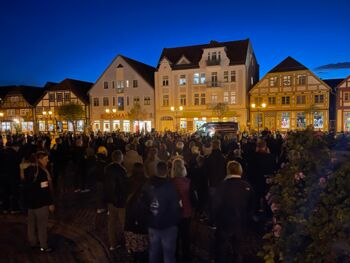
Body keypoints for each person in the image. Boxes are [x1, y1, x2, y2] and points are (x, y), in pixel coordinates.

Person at [212, 161, 254, 263]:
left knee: (222, 251)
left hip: (224, 223)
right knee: (238, 250)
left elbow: (215, 205)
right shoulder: (246, 186)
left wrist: (213, 219)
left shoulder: (222, 186)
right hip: (240, 222)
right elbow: (252, 205)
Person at [142, 161, 181, 263]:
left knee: (153, 252)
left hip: (152, 223)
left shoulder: (147, 184)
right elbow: (175, 208)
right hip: (168, 226)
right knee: (168, 255)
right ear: (167, 171)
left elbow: (143, 203)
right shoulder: (170, 187)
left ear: (156, 171)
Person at [21, 151, 55, 252]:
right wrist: (50, 203)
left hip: (30, 204)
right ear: (40, 159)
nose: (48, 160)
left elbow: (24, 185)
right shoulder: (42, 172)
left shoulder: (27, 170)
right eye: (46, 159)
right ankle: (43, 246)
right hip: (41, 204)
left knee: (31, 225)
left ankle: (32, 242)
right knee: (42, 226)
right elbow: (45, 190)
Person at [104, 150, 129, 250]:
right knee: (124, 223)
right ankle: (128, 243)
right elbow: (124, 186)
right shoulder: (121, 170)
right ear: (120, 158)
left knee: (112, 223)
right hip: (120, 200)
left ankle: (112, 244)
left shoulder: (107, 168)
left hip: (110, 200)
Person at [124, 163, 149, 262]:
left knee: (135, 248)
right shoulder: (147, 182)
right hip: (143, 219)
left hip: (130, 218)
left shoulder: (128, 181)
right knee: (144, 248)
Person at [171, 158, 192, 262]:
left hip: (174, 215)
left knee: (175, 238)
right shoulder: (188, 182)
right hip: (187, 213)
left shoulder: (171, 183)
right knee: (186, 238)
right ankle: (187, 257)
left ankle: (175, 257)